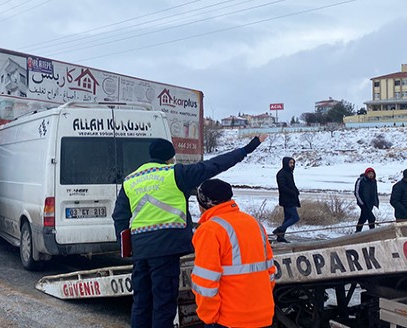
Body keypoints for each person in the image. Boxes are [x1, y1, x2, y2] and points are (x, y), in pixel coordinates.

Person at [112, 134, 266, 328]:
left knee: (141, 301)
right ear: (170, 157)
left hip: (141, 250)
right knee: (163, 302)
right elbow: (214, 165)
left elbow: (119, 217)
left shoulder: (131, 180)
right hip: (166, 248)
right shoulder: (175, 173)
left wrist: (126, 246)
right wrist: (247, 149)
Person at [191, 179, 275, 328]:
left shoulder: (209, 230)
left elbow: (205, 283)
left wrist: (209, 317)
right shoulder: (254, 223)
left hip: (229, 319)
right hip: (263, 316)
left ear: (203, 203)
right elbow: (270, 272)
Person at [273, 157, 299, 243]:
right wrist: (292, 192)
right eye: (290, 163)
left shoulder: (289, 173)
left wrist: (296, 191)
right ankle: (279, 230)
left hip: (291, 198)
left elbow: (292, 184)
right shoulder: (281, 174)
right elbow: (282, 187)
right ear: (286, 163)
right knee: (295, 217)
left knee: (287, 218)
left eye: (293, 163)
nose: (292, 165)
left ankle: (280, 237)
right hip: (287, 199)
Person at [354, 167, 379, 232]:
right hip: (363, 203)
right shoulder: (361, 180)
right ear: (366, 174)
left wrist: (376, 201)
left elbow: (375, 192)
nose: (371, 175)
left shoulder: (374, 181)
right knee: (372, 218)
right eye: (369, 173)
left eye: (372, 173)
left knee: (363, 218)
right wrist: (361, 203)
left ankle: (358, 231)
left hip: (370, 203)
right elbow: (357, 192)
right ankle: (372, 231)